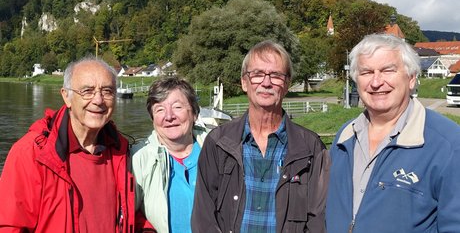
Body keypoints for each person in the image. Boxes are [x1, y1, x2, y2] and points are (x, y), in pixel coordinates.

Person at [192, 40, 330, 233]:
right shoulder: (218, 143)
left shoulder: (310, 147)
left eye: (276, 75)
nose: (266, 83)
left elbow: (318, 219)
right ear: (244, 82)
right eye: (257, 74)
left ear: (287, 84)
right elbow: (203, 218)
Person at [326, 33, 460, 232]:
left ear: (411, 78)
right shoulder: (344, 137)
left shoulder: (448, 144)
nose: (376, 82)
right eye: (366, 72)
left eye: (388, 70)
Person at [0, 56, 135, 232]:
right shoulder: (32, 153)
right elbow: (10, 226)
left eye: (107, 91)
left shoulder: (122, 151)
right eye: (87, 91)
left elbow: (133, 212)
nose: (98, 100)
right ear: (67, 97)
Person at [131, 76, 208, 233]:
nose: (169, 116)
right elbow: (128, 213)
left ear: (194, 113)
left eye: (177, 107)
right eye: (159, 109)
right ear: (153, 118)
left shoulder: (217, 148)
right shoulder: (138, 158)